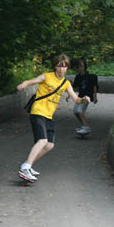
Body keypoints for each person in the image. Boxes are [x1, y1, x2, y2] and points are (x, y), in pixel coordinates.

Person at [16, 54, 90, 182]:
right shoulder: (47, 76)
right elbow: (32, 81)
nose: (61, 69)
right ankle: (26, 167)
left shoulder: (66, 83)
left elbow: (76, 99)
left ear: (67, 68)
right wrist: (23, 84)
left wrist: (83, 99)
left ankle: (27, 165)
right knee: (42, 141)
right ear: (55, 67)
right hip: (38, 111)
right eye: (59, 66)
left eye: (64, 67)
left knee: (49, 145)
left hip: (49, 115)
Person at [72, 58, 98, 135]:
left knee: (79, 111)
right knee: (75, 112)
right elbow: (75, 87)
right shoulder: (78, 76)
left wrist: (95, 97)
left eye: (82, 66)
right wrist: (69, 95)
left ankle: (86, 127)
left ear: (85, 67)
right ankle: (84, 126)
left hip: (88, 96)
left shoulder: (89, 76)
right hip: (80, 96)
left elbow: (94, 86)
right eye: (79, 66)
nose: (80, 68)